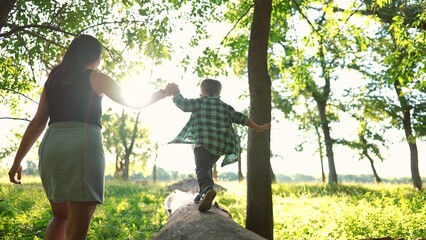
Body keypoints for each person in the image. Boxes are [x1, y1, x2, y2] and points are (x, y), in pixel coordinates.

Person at [8, 34, 174, 239]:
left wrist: (17, 160)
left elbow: (37, 123)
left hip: (52, 147)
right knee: (77, 229)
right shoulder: (96, 77)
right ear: (96, 56)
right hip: (83, 147)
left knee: (60, 217)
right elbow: (133, 102)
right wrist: (163, 92)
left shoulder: (53, 80)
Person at [167, 79, 271, 211]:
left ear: (202, 92)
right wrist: (259, 128)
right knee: (206, 169)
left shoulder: (199, 102)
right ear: (219, 93)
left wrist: (176, 93)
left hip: (202, 144)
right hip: (219, 147)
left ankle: (207, 188)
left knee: (201, 168)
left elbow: (184, 105)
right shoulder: (226, 107)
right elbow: (242, 118)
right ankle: (203, 192)